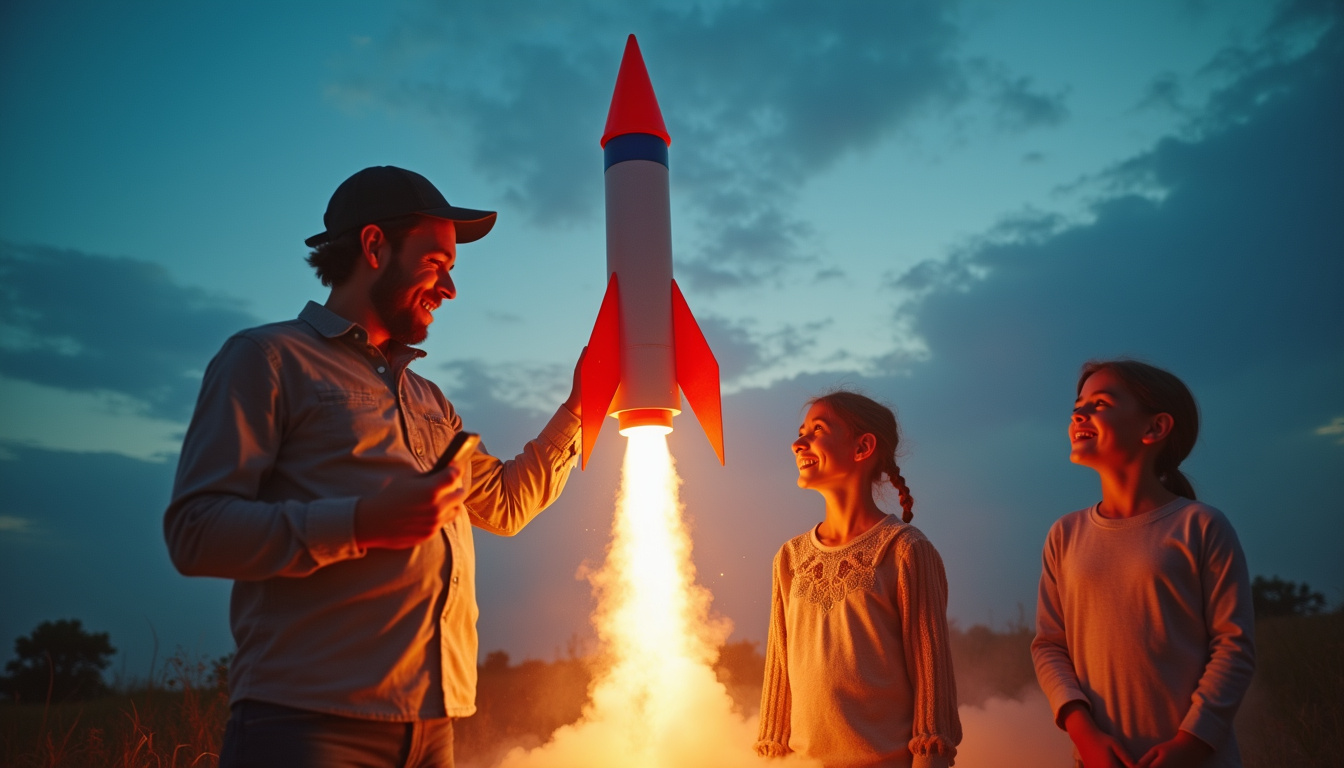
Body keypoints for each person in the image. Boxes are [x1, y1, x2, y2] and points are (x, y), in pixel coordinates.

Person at [164, 166, 585, 768]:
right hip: (307, 727)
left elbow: (507, 505)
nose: (450, 289)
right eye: (436, 264)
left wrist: (580, 408)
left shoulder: (430, 400)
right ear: (373, 246)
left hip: (433, 729)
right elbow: (196, 533)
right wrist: (361, 523)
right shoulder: (268, 359)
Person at [1032, 360, 1255, 768]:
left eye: (1100, 404)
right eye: (1078, 405)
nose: (1079, 413)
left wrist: (1192, 741)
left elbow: (1234, 646)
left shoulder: (1201, 526)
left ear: (1155, 428)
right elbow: (1049, 646)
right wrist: (1084, 735)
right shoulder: (1065, 534)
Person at [756, 391, 962, 768]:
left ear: (863, 447)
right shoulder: (790, 558)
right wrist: (772, 751)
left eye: (817, 430)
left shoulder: (905, 550)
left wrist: (930, 758)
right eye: (801, 432)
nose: (797, 443)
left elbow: (932, 680)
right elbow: (779, 672)